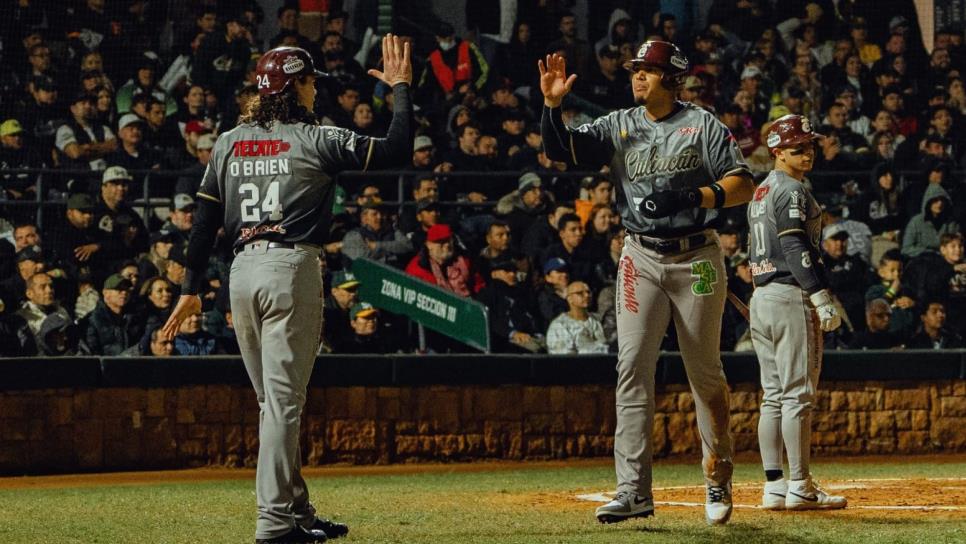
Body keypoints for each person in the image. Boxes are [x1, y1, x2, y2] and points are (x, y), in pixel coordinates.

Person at [163, 39, 413, 543]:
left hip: (241, 273)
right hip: (290, 267)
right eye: (311, 79)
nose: (316, 85)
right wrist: (401, 89)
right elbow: (396, 150)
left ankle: (296, 510)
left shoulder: (228, 141)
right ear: (296, 84)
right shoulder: (316, 136)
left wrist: (190, 286)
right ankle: (275, 523)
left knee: (271, 403)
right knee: (282, 404)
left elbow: (203, 222)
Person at [540, 42, 754, 525]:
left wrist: (690, 195)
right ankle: (632, 490)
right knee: (632, 368)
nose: (638, 78)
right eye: (636, 70)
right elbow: (562, 151)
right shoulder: (620, 123)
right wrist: (552, 106)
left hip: (697, 254)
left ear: (673, 78)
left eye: (649, 71)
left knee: (705, 374)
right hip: (640, 254)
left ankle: (717, 475)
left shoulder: (703, 125)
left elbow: (743, 183)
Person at [746, 114, 847, 512]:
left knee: (773, 396)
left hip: (762, 296)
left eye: (808, 146)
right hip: (789, 294)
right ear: (777, 151)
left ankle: (774, 484)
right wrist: (819, 295)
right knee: (797, 397)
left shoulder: (761, 191)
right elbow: (793, 246)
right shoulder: (790, 190)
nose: (807, 153)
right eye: (797, 148)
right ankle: (800, 484)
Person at [546, 281, 608, 354]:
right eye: (580, 293)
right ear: (570, 299)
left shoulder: (597, 319)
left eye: (588, 292)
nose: (587, 295)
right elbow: (563, 356)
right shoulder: (559, 325)